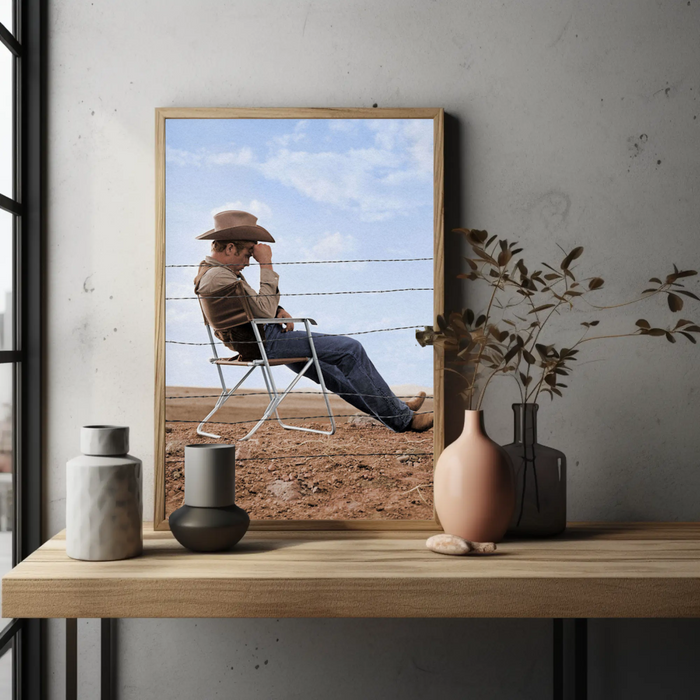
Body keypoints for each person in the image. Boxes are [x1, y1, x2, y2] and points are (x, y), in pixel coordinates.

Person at [194, 210, 433, 433]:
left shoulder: (213, 273)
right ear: (231, 248)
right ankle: (403, 419)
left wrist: (277, 310)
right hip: (265, 342)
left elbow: (251, 308)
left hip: (257, 340)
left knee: (329, 370)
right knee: (350, 349)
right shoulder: (219, 276)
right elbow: (261, 312)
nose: (248, 262)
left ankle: (394, 408)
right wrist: (266, 264)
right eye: (247, 255)